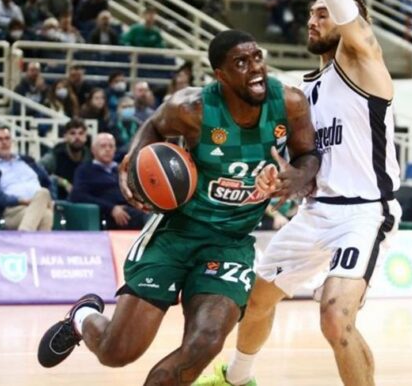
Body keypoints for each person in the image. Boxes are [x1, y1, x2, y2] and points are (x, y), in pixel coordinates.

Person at [36, 30, 319, 384]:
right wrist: (134, 162)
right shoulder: (191, 108)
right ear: (221, 75)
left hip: (230, 241)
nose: (255, 68)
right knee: (116, 352)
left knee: (206, 341)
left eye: (257, 58)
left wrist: (296, 176)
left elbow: (308, 154)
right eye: (241, 63)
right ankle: (82, 318)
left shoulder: (290, 102)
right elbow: (154, 125)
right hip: (177, 230)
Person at [197, 0, 402, 385]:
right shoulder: (303, 91)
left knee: (335, 317)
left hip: (364, 214)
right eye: (310, 13)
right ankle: (237, 378)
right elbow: (305, 163)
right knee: (255, 300)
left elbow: (340, 1)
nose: (313, 20)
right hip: (315, 212)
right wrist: (278, 176)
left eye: (323, 13)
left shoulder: (365, 65)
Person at [0, 125, 54, 230]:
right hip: (12, 211)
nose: (4, 142)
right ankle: (26, 234)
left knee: (44, 194)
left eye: (7, 138)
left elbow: (48, 183)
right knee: (46, 215)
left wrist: (52, 200)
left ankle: (23, 235)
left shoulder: (28, 161)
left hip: (38, 205)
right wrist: (21, 201)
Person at [69, 133, 147, 229]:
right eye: (103, 146)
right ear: (93, 150)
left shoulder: (122, 168)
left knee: (155, 213)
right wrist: (111, 208)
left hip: (131, 208)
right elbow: (77, 195)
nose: (107, 149)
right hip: (106, 214)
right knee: (148, 218)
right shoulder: (85, 170)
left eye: (111, 146)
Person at [40, 118, 91, 200]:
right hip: (58, 199)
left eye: (81, 133)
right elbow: (37, 172)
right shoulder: (55, 156)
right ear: (65, 136)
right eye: (72, 133)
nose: (77, 137)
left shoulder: (90, 155)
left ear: (86, 137)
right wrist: (63, 182)